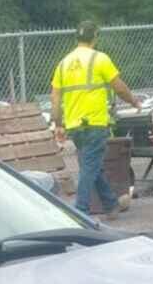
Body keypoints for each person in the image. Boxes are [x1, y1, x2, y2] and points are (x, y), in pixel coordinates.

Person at [51, 20, 142, 220]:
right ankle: (80, 212)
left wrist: (57, 124)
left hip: (74, 126)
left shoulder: (63, 64)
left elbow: (55, 97)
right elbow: (119, 87)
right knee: (89, 168)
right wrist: (134, 101)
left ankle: (110, 205)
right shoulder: (100, 59)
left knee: (92, 166)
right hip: (94, 123)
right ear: (95, 37)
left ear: (77, 38)